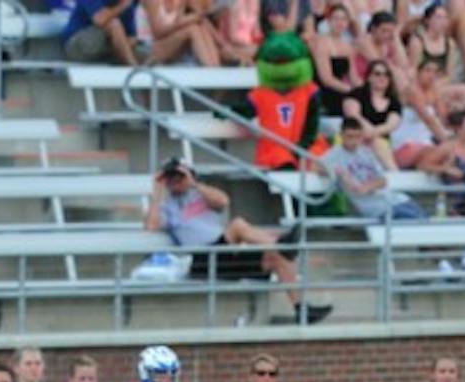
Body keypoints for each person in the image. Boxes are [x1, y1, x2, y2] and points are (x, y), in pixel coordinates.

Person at [145, 156, 332, 322]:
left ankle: (301, 309)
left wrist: (194, 184)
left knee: (276, 256)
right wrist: (158, 190)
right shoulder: (166, 207)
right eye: (172, 178)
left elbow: (223, 201)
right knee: (237, 225)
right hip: (202, 259)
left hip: (225, 255)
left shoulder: (202, 196)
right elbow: (151, 226)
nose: (176, 181)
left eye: (179, 176)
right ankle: (282, 244)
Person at [317, 118, 427, 221]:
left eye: (357, 137)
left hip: (397, 200)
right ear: (341, 135)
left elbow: (383, 180)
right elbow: (315, 167)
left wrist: (366, 186)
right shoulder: (334, 155)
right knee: (419, 227)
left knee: (429, 226)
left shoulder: (366, 152)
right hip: (379, 210)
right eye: (350, 136)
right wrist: (341, 173)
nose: (354, 141)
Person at [343, 61, 403, 170]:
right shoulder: (356, 94)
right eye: (377, 74)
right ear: (369, 77)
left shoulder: (394, 102)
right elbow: (353, 115)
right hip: (354, 137)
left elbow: (391, 125)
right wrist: (367, 132)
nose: (382, 77)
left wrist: (372, 133)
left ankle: (394, 175)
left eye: (386, 74)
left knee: (376, 142)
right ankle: (396, 175)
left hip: (380, 141)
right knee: (375, 142)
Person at [63, 0, 144, 65]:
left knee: (145, 55)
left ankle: (130, 65)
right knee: (113, 24)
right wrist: (122, 6)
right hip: (76, 46)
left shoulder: (127, 4)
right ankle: (133, 67)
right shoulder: (124, 4)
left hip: (104, 49)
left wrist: (121, 45)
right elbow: (100, 19)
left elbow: (132, 37)